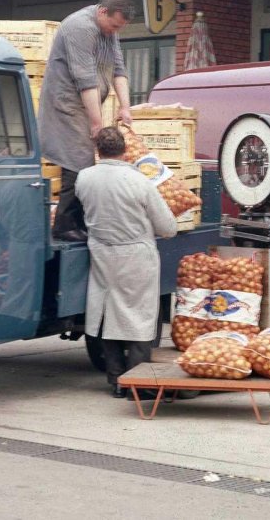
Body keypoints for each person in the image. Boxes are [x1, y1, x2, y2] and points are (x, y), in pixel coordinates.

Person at [75, 127, 177, 398]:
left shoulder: (84, 178)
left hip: (101, 254)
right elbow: (168, 227)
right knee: (140, 319)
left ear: (98, 150)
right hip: (136, 256)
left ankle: (116, 380)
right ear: (126, 150)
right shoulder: (139, 182)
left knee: (110, 315)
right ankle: (138, 383)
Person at [38, 0, 135, 242]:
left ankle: (80, 221)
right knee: (78, 157)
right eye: (114, 25)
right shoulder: (79, 27)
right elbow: (85, 80)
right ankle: (64, 224)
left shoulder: (109, 32)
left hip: (89, 100)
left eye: (119, 28)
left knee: (85, 159)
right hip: (67, 101)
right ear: (103, 12)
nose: (115, 32)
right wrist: (96, 123)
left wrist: (125, 107)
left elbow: (119, 70)